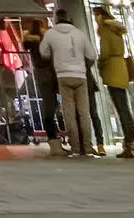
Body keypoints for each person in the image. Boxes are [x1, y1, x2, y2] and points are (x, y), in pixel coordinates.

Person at [39, 11, 97, 158]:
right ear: (69, 18)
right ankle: (87, 147)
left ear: (56, 19)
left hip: (63, 76)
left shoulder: (50, 34)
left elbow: (44, 53)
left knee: (69, 113)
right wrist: (82, 65)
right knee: (84, 113)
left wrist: (55, 57)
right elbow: (92, 55)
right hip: (81, 76)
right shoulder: (79, 33)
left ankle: (75, 148)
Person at [92, 7, 134, 158]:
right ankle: (132, 144)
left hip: (112, 70)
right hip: (121, 69)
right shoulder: (116, 30)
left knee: (121, 108)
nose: (95, 19)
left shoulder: (105, 31)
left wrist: (100, 63)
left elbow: (105, 52)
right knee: (125, 108)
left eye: (95, 16)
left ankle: (130, 144)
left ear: (100, 16)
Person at [23, 20, 62, 153]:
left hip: (40, 74)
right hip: (53, 72)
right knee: (57, 106)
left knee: (48, 106)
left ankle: (53, 141)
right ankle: (60, 138)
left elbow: (25, 46)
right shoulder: (47, 38)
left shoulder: (30, 41)